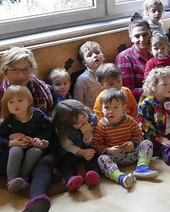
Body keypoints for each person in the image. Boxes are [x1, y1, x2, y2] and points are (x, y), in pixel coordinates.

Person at [0, 46, 56, 211]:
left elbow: (51, 126)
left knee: (44, 161)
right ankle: (16, 179)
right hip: (9, 148)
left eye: (26, 69)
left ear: (32, 70)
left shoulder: (46, 91)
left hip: (38, 146)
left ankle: (37, 200)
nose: (21, 75)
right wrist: (11, 140)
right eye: (14, 70)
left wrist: (41, 141)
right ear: (5, 71)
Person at [93, 88, 159, 189]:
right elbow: (95, 144)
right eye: (106, 108)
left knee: (147, 143)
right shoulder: (101, 125)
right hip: (114, 158)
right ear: (101, 109)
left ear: (123, 108)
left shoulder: (129, 120)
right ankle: (120, 177)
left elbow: (139, 135)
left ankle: (141, 167)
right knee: (102, 159)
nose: (111, 111)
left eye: (115, 107)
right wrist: (108, 150)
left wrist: (133, 143)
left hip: (132, 153)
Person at [0, 85, 53, 193]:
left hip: (33, 147)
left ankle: (23, 178)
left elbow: (49, 130)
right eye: (11, 102)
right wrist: (11, 143)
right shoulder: (9, 120)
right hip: (15, 149)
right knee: (16, 149)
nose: (16, 105)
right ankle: (12, 180)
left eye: (20, 100)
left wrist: (40, 139)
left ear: (28, 101)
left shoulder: (37, 115)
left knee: (35, 151)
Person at [51, 99, 101, 192]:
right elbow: (67, 146)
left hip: (87, 146)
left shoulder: (91, 120)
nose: (84, 122)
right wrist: (81, 152)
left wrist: (87, 135)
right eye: (78, 122)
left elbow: (94, 141)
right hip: (71, 151)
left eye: (84, 116)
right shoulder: (64, 130)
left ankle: (93, 175)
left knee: (93, 156)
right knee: (67, 162)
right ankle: (70, 180)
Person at [115, 18, 153, 101]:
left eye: (145, 34)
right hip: (139, 103)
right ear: (131, 38)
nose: (142, 39)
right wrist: (155, 90)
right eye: (137, 36)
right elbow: (127, 91)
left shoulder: (156, 53)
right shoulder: (124, 57)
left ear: (151, 34)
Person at [73, 41, 105, 108]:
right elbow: (78, 102)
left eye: (97, 52)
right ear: (85, 63)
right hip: (92, 114)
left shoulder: (109, 72)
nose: (95, 55)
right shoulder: (82, 80)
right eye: (89, 55)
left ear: (103, 56)